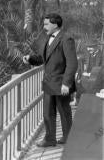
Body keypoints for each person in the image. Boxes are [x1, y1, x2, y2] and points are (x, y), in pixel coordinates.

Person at [23, 13, 78, 147]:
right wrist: (30, 59)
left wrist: (66, 83)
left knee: (64, 112)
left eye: (47, 24)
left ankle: (68, 137)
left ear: (56, 24)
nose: (44, 26)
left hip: (61, 84)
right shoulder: (48, 39)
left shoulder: (66, 39)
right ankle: (50, 139)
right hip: (48, 83)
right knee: (48, 113)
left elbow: (72, 63)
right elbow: (43, 59)